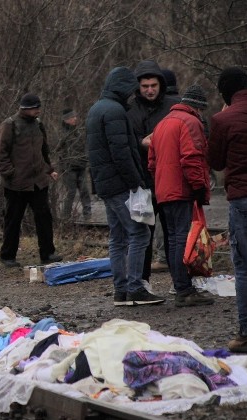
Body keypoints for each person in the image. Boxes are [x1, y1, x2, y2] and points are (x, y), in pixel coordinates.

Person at [86, 67, 164, 307]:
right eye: (131, 89)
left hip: (105, 183)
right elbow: (121, 152)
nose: (133, 95)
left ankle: (121, 290)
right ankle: (135, 288)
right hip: (120, 184)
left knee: (118, 237)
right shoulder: (115, 111)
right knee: (140, 233)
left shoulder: (97, 109)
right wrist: (136, 182)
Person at [208, 67, 247, 353]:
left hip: (245, 201)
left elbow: (217, 162)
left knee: (245, 269)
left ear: (225, 93)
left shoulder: (222, 119)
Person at [148, 85, 214, 307]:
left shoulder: (162, 124)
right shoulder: (191, 122)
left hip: (164, 190)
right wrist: (199, 187)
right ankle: (184, 290)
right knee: (181, 239)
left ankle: (181, 286)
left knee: (173, 238)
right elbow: (192, 158)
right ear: (199, 107)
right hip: (181, 190)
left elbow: (152, 162)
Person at [127, 60, 181, 286]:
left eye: (153, 85)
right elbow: (126, 143)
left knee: (173, 235)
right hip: (143, 183)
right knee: (143, 236)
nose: (150, 90)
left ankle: (180, 282)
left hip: (169, 179)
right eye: (145, 86)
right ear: (138, 87)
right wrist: (141, 143)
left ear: (161, 85)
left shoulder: (173, 105)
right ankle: (142, 282)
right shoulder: (130, 109)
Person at [0, 93, 61, 267]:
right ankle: (8, 255)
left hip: (38, 181)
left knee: (44, 218)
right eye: (35, 107)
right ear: (25, 108)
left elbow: (43, 151)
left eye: (38, 107)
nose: (38, 110)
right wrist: (10, 174)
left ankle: (47, 253)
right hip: (17, 184)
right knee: (13, 220)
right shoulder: (10, 125)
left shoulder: (38, 125)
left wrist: (49, 169)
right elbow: (0, 154)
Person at [56, 109, 91, 221]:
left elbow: (85, 146)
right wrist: (65, 161)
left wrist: (86, 159)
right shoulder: (62, 134)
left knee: (84, 190)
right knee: (70, 192)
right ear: (66, 120)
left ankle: (88, 213)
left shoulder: (79, 132)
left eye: (75, 116)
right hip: (69, 168)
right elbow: (57, 150)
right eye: (72, 117)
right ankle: (65, 216)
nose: (75, 119)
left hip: (81, 165)